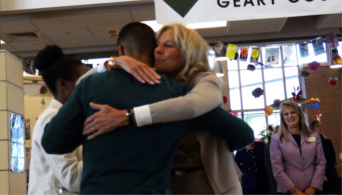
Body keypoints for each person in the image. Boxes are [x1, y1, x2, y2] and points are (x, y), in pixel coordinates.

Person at [41, 22, 253, 194]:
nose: (160, 51)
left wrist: (126, 115)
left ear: (121, 50)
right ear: (150, 51)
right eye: (158, 46)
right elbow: (242, 134)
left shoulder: (92, 87)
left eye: (168, 46)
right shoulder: (175, 93)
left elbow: (52, 142)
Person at [28, 45, 88, 194]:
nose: (89, 88)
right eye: (83, 84)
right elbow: (72, 178)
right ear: (63, 85)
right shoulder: (52, 119)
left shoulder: (67, 117)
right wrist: (105, 155)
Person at [270, 101, 326, 195]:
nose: (290, 116)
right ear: (282, 118)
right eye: (286, 114)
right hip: (289, 190)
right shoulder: (277, 138)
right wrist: (294, 190)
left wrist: (313, 188)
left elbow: (321, 162)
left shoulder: (314, 136)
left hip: (313, 190)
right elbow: (277, 168)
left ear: (299, 114)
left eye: (293, 112)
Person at [309, 120, 340, 194]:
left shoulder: (327, 141)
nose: (320, 128)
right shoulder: (310, 143)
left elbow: (332, 157)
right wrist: (320, 173)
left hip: (330, 172)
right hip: (317, 175)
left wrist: (326, 170)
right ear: (312, 129)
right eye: (318, 126)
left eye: (321, 126)